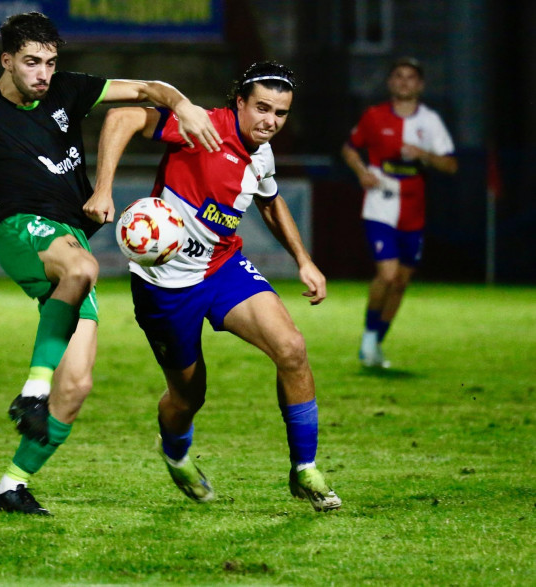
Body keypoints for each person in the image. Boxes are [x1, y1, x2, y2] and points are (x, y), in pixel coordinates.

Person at [0, 11, 222, 515]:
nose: (43, 73)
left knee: (78, 385)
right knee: (84, 269)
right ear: (6, 60)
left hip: (66, 237)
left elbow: (148, 88)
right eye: (31, 63)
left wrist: (183, 105)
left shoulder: (67, 89)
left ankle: (11, 485)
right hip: (22, 230)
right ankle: (32, 391)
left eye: (49, 62)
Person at [85, 61, 342, 512]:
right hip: (164, 286)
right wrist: (103, 189)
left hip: (222, 269)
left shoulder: (261, 153)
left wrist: (303, 260)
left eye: (280, 113)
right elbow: (121, 116)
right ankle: (176, 452)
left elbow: (269, 200)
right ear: (239, 102)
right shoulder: (198, 125)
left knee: (292, 349)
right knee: (188, 395)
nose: (270, 121)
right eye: (262, 108)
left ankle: (305, 469)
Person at [341, 57, 458, 368]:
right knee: (388, 274)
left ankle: (377, 342)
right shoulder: (374, 116)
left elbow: (451, 164)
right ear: (391, 82)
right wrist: (361, 171)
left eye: (410, 77)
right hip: (381, 204)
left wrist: (425, 155)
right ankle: (367, 340)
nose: (404, 82)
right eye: (398, 76)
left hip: (414, 210)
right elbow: (350, 148)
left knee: (401, 281)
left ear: (419, 85)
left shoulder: (430, 122)